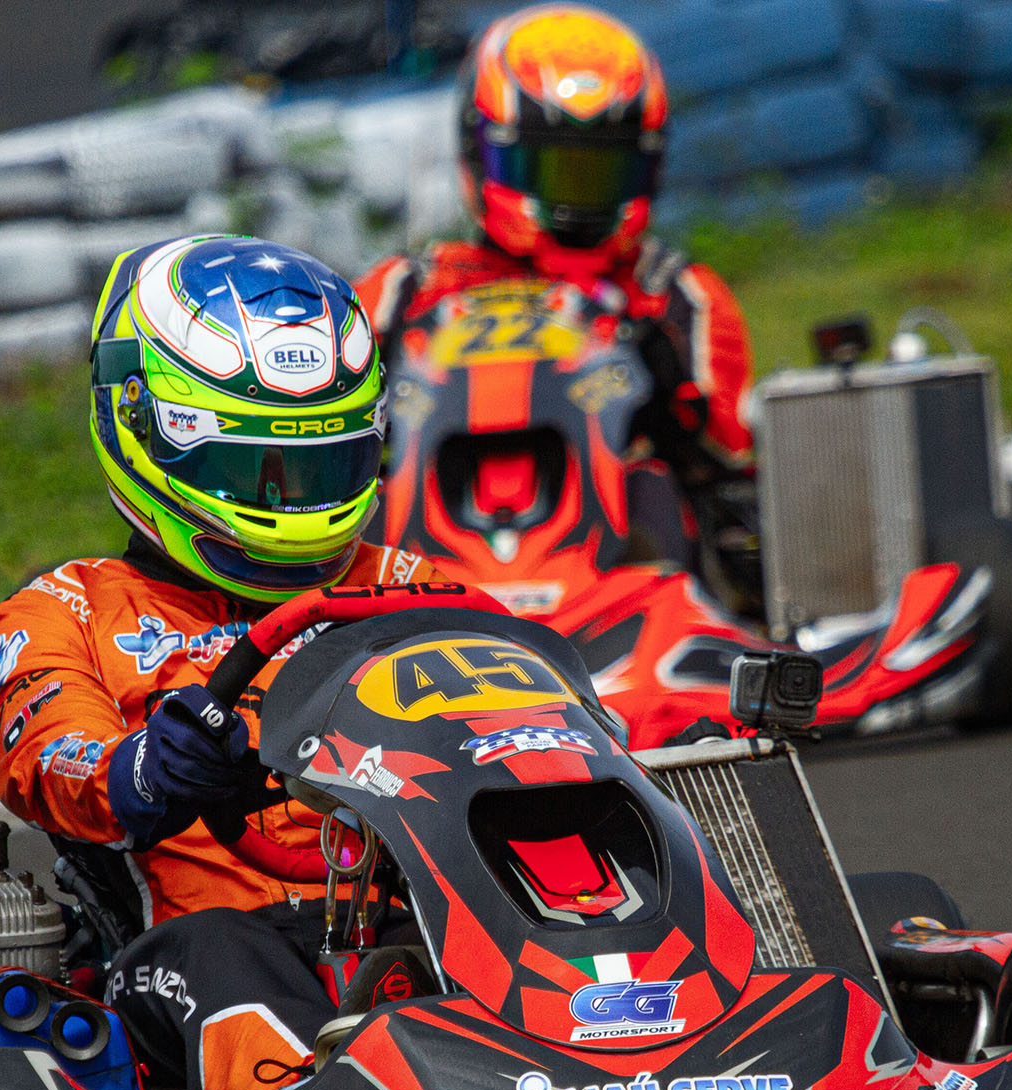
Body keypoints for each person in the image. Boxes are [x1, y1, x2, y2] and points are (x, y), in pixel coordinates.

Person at [0, 234, 415, 1090]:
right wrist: (143, 768)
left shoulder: (408, 588)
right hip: (192, 942)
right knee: (225, 961)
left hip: (407, 918)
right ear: (143, 427)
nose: (288, 503)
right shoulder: (69, 610)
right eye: (251, 469)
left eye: (317, 470)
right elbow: (49, 757)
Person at [352, 3, 823, 746]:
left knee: (665, 485)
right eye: (553, 167)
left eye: (600, 170)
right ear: (487, 154)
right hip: (417, 581)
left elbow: (726, 460)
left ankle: (702, 645)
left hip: (621, 570)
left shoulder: (673, 294)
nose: (576, 196)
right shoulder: (401, 293)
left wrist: (656, 370)